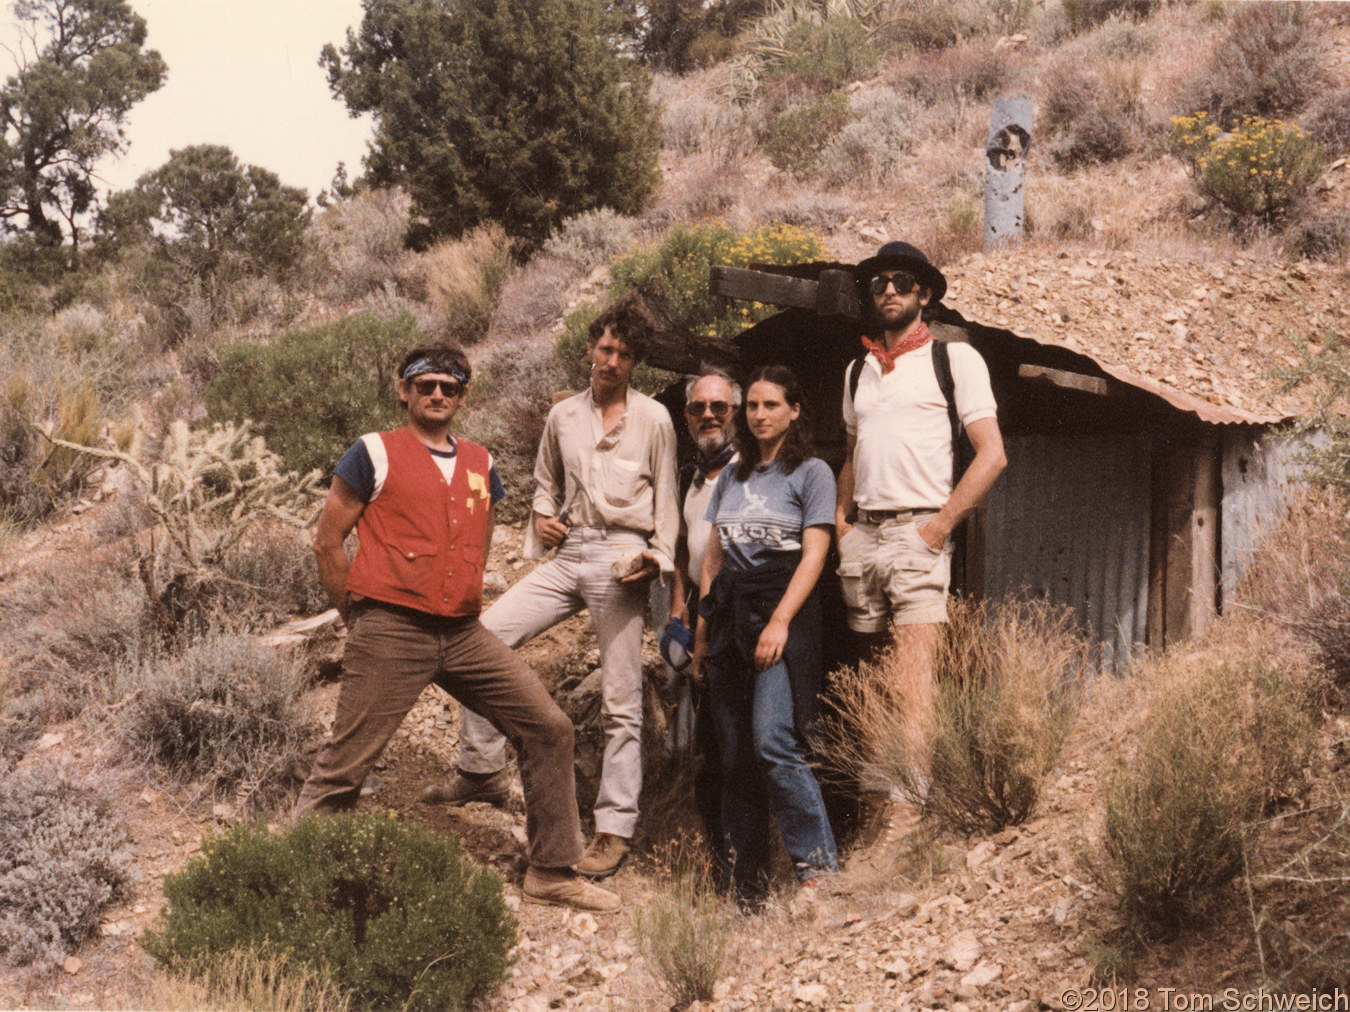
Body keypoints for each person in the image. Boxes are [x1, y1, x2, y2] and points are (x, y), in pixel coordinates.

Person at [294, 341, 619, 913]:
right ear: (405, 390)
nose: (438, 394)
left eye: (449, 386)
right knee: (346, 763)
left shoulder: (481, 462)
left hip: (464, 632)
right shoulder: (374, 452)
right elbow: (327, 541)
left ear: (463, 395)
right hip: (391, 626)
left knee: (548, 727)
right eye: (426, 385)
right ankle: (293, 878)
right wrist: (360, 618)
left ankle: (550, 869)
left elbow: (480, 536)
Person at [423, 293, 679, 881]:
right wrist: (543, 516)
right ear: (590, 347)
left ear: (635, 361)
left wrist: (657, 557)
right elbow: (544, 483)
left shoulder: (653, 419)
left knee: (621, 701)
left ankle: (614, 828)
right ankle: (481, 769)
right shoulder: (564, 415)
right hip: (571, 553)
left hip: (622, 557)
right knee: (480, 639)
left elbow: (667, 502)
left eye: (624, 353)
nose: (611, 360)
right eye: (605, 348)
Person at [835, 240, 1007, 826]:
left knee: (914, 683)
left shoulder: (954, 360)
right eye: (879, 281)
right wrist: (841, 524)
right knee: (878, 682)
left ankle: (912, 819)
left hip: (917, 535)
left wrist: (937, 530)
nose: (887, 290)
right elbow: (854, 453)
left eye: (901, 281)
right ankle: (882, 810)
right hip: (865, 541)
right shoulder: (858, 369)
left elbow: (992, 455)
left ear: (924, 294)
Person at [692, 364, 839, 905]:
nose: (758, 415)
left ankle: (818, 873)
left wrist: (780, 621)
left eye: (770, 405)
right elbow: (713, 560)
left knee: (774, 741)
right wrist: (703, 636)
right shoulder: (732, 475)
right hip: (730, 617)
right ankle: (745, 886)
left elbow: (816, 553)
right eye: (751, 406)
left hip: (784, 612)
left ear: (795, 410)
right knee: (734, 756)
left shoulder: (812, 472)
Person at [668, 366, 741, 861]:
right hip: (698, 616)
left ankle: (749, 862)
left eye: (719, 407)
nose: (709, 415)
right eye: (699, 407)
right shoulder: (687, 476)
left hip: (736, 620)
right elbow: (680, 549)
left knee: (737, 745)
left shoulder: (749, 474)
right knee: (705, 753)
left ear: (734, 413)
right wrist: (678, 607)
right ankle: (721, 865)